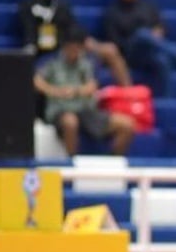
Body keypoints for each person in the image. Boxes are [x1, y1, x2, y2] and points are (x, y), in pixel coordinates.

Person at [20, 0, 132, 86]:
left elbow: (75, 29)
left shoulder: (62, 5)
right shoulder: (28, 6)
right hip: (44, 53)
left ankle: (128, 92)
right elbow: (28, 36)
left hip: (67, 48)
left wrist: (89, 44)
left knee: (109, 50)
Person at [33, 25, 135, 155]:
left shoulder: (88, 62)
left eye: (77, 47)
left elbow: (92, 85)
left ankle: (113, 163)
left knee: (127, 125)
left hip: (87, 110)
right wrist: (54, 91)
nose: (74, 51)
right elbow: (35, 80)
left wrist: (75, 91)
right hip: (60, 110)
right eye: (71, 47)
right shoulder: (51, 61)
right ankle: (71, 164)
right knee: (70, 122)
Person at [102, 0, 176, 96]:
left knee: (161, 60)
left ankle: (164, 100)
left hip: (149, 53)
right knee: (142, 34)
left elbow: (160, 28)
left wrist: (158, 33)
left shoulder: (149, 6)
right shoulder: (111, 12)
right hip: (128, 55)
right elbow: (114, 42)